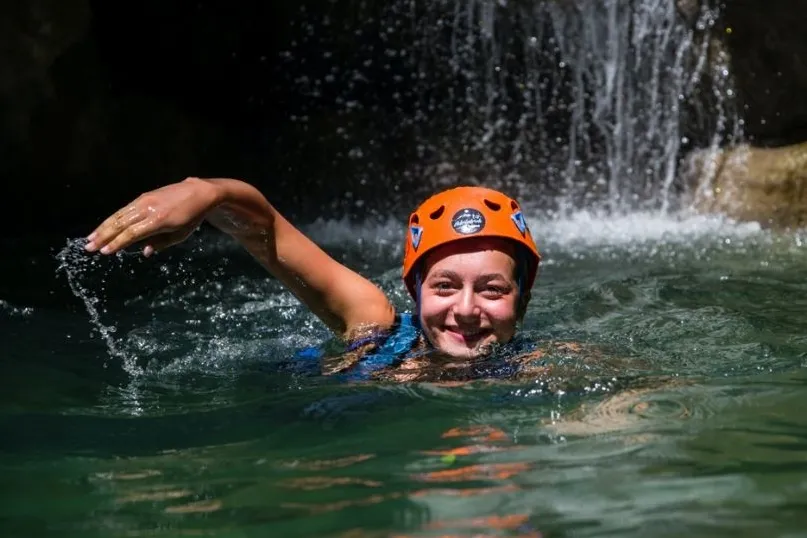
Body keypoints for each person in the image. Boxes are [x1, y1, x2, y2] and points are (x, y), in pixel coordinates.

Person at [85, 177, 550, 381]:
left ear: (522, 302)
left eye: (492, 290)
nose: (465, 310)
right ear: (416, 291)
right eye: (445, 286)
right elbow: (262, 227)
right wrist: (204, 193)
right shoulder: (376, 327)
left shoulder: (543, 367)